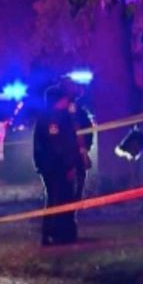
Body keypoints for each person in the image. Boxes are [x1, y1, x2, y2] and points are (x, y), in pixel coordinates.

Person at [33, 85, 82, 246]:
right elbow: (58, 145)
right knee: (56, 199)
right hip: (55, 167)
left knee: (64, 198)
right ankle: (53, 233)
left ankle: (64, 233)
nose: (67, 102)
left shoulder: (62, 116)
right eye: (65, 99)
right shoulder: (52, 119)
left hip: (59, 165)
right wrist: (68, 165)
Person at [58, 77, 95, 199]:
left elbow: (86, 127)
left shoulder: (79, 110)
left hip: (78, 146)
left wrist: (86, 145)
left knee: (80, 171)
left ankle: (77, 196)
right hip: (65, 148)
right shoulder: (58, 109)